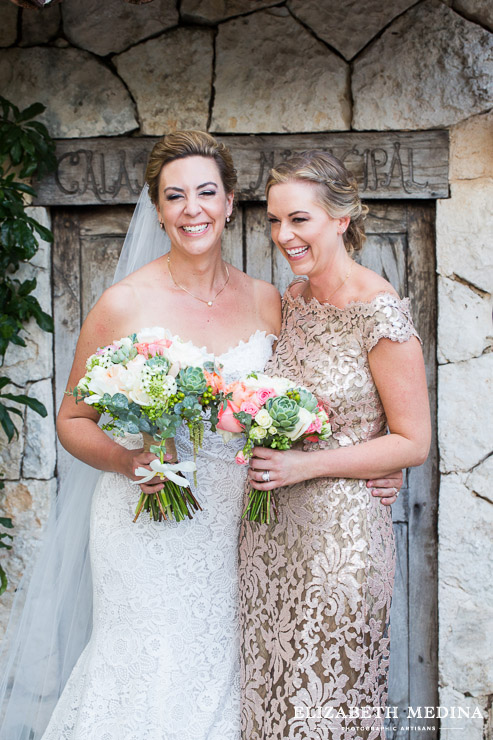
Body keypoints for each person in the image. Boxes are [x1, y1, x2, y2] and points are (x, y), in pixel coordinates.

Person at [0, 133, 402, 740]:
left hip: (243, 525)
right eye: (175, 195)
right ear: (157, 209)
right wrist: (131, 461)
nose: (193, 208)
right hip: (145, 520)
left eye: (206, 192)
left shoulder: (274, 302)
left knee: (226, 671)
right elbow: (71, 420)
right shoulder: (124, 303)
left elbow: (317, 395)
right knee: (147, 668)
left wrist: (379, 459)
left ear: (230, 201)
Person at [239, 151, 431, 740]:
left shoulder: (379, 312)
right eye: (274, 221)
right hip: (268, 543)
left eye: (300, 219)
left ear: (342, 219)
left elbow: (414, 440)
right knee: (268, 703)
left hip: (339, 550)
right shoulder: (291, 302)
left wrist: (308, 465)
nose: (283, 236)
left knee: (325, 706)